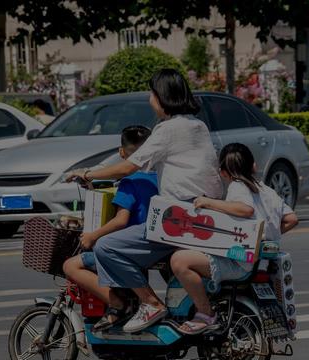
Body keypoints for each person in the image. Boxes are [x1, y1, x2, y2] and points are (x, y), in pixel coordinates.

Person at [65, 68, 222, 333]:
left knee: (106, 247)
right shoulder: (198, 125)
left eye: (152, 93)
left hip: (178, 218)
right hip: (204, 215)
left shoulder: (167, 129)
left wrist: (87, 172)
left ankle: (149, 302)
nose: (150, 99)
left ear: (162, 97)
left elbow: (128, 167)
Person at [169, 143, 299, 335]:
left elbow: (245, 209)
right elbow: (292, 219)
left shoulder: (237, 187)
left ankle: (205, 313)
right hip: (256, 261)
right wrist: (265, 237)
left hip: (239, 263)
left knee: (179, 261)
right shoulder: (266, 190)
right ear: (253, 166)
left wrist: (208, 202)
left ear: (222, 172)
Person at [62, 125, 157, 331]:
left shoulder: (128, 181)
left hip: (131, 247)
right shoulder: (160, 178)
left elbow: (121, 220)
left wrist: (92, 235)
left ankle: (117, 304)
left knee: (70, 266)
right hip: (155, 244)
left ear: (122, 153)